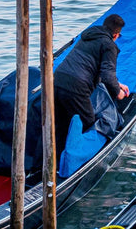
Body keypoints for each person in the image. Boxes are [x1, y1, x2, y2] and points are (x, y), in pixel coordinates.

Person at [54, 13, 130, 150]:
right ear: (116, 35)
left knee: (61, 122)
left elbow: (93, 68)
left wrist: (117, 84)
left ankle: (55, 160)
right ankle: (79, 159)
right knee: (88, 121)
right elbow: (107, 75)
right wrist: (117, 93)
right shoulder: (109, 45)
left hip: (57, 79)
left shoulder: (87, 36)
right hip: (77, 86)